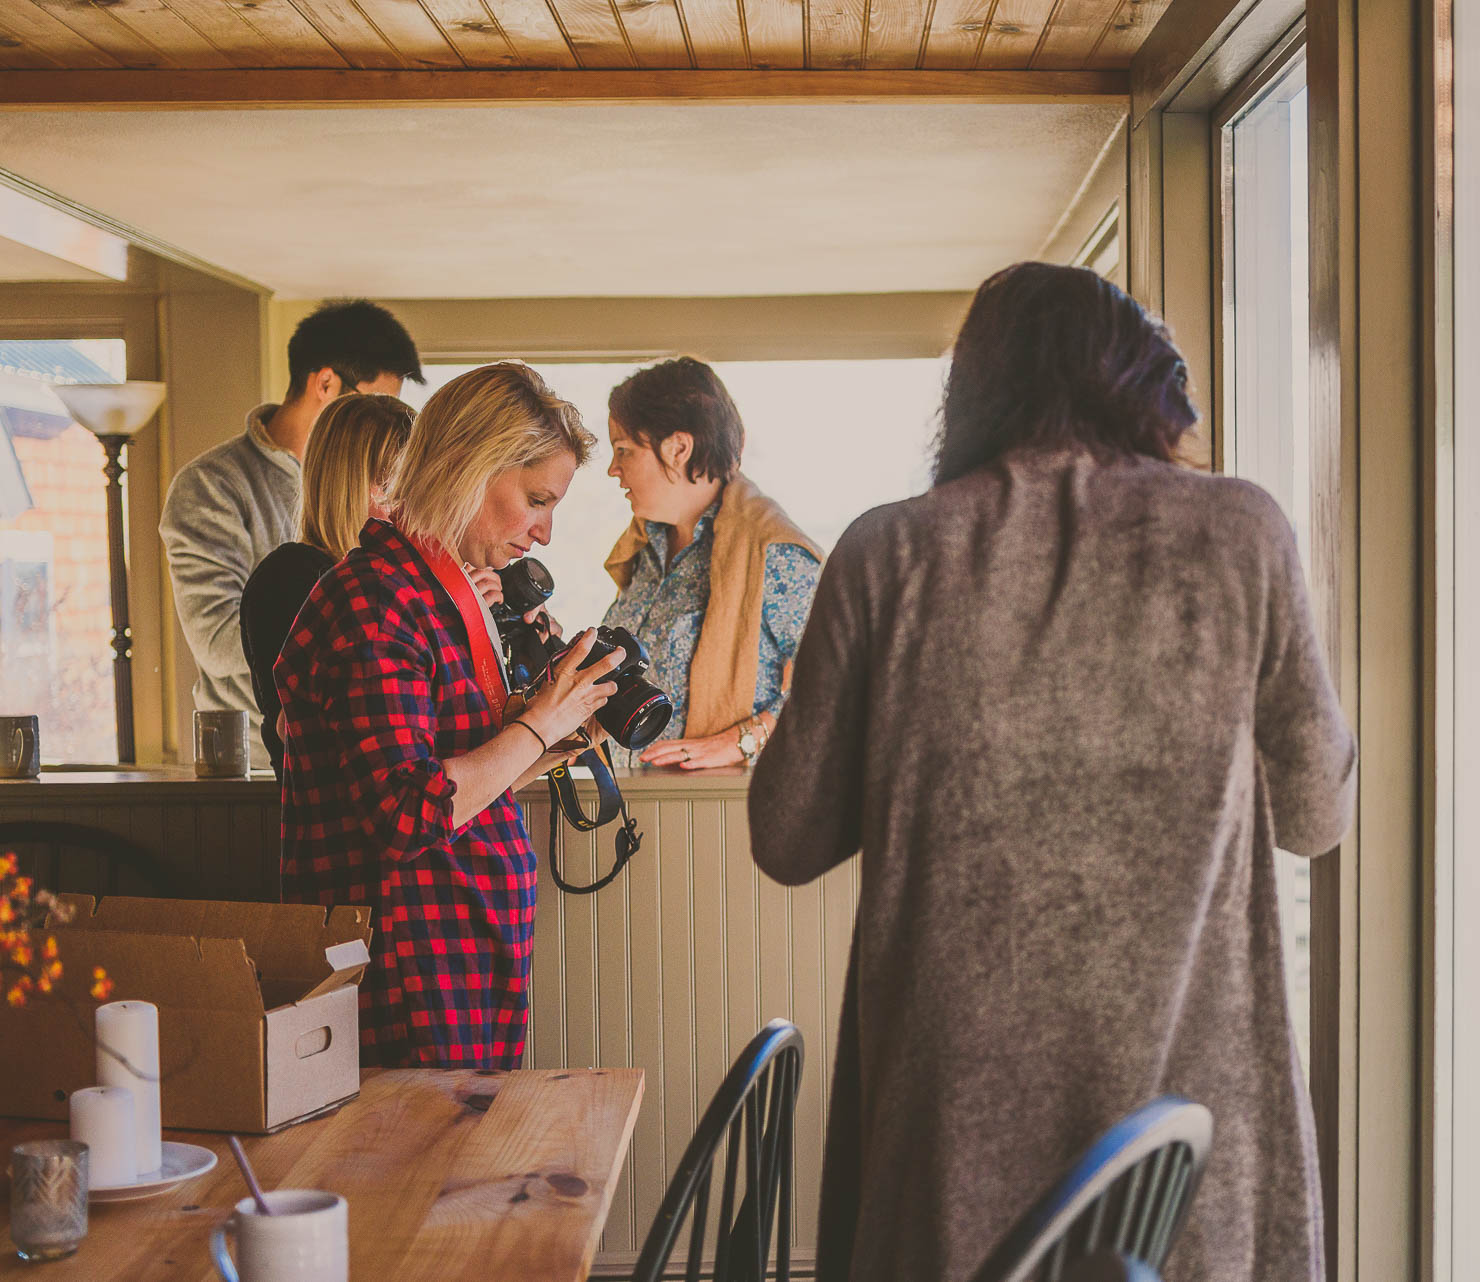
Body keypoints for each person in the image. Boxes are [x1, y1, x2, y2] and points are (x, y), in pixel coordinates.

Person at [746, 263, 1357, 1282]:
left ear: (974, 390)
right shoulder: (1240, 534)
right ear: (1142, 383)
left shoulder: (888, 553)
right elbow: (1316, 812)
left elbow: (788, 834)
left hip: (951, 1140)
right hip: (1186, 1137)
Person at [277, 362, 621, 1069]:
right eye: (535, 499)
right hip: (407, 971)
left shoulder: (438, 593)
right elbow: (409, 812)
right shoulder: (377, 602)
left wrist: (557, 739)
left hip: (460, 955)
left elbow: (463, 780)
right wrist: (537, 726)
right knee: (421, 1178)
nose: (544, 534)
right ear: (468, 466)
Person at [160, 300, 422, 764]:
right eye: (369, 404)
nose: (378, 421)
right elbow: (220, 641)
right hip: (255, 764)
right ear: (325, 383)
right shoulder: (211, 487)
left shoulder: (388, 503)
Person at [599, 357, 821, 770]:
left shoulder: (774, 553)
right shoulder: (645, 548)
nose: (613, 469)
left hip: (716, 812)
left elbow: (843, 682)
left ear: (679, 448)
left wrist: (744, 740)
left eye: (624, 450)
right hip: (635, 809)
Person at [239, 393, 415, 781]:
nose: (413, 507)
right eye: (395, 487)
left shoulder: (403, 583)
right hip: (336, 824)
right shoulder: (291, 577)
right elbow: (307, 729)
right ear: (346, 483)